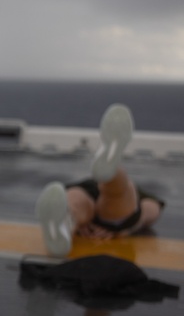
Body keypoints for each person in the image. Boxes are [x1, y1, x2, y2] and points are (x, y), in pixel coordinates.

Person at [35, 103, 164, 257]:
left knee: (75, 200)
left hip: (84, 191)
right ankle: (112, 173)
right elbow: (152, 210)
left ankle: (66, 223)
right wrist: (130, 227)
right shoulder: (140, 195)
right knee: (121, 196)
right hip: (116, 217)